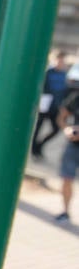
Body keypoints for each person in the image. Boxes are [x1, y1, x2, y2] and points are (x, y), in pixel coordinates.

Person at [31, 51, 69, 158]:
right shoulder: (47, 72)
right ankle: (34, 150)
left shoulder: (63, 74)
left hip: (55, 106)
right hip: (44, 105)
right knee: (38, 128)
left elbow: (64, 90)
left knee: (56, 129)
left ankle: (39, 146)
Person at [55, 85, 79, 222]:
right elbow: (61, 117)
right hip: (73, 146)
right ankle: (65, 211)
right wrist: (67, 130)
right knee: (66, 178)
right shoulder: (76, 97)